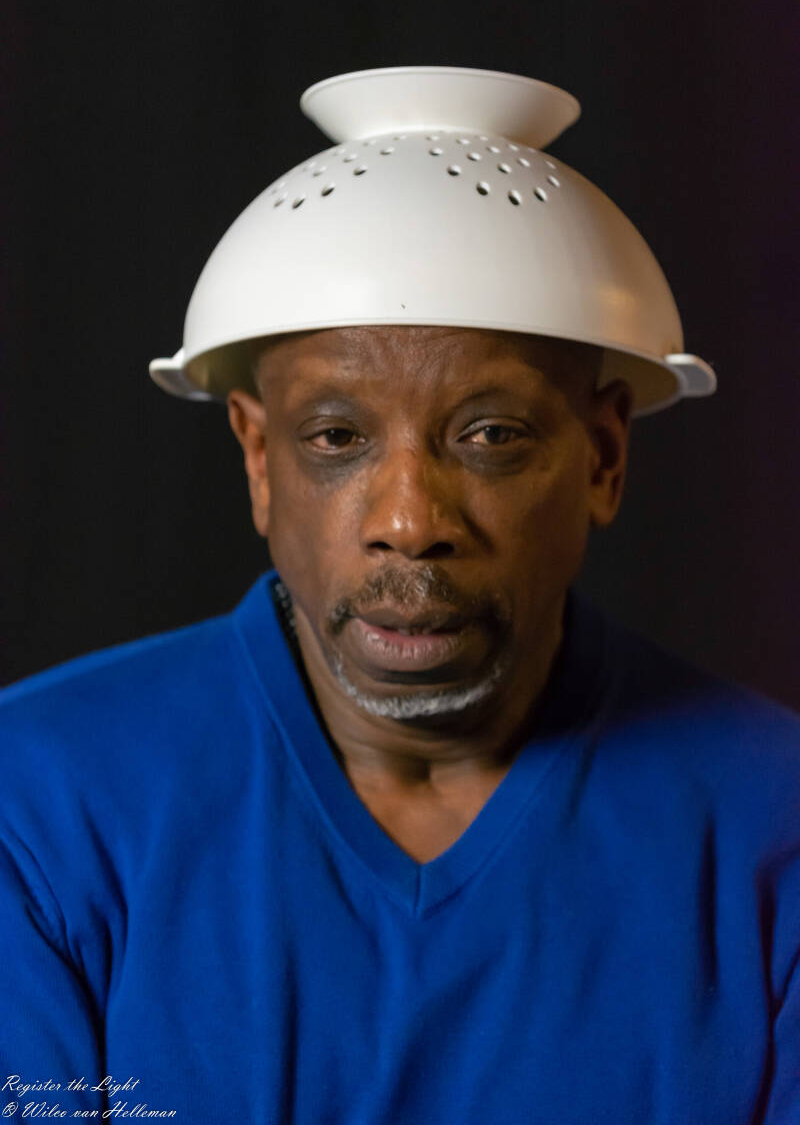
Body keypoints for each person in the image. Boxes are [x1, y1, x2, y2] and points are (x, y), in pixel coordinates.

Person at [1, 66, 798, 1124]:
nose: (411, 520)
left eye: (490, 436)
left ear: (603, 458)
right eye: (337, 438)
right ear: (258, 459)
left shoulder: (774, 821)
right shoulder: (37, 806)